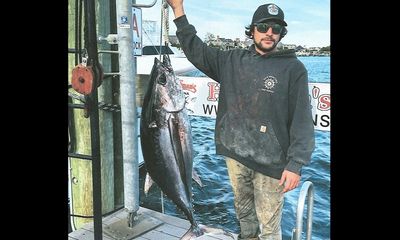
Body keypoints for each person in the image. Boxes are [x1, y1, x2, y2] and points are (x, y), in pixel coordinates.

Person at [165, 1, 315, 239]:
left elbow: (302, 120)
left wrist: (295, 164)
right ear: (252, 30)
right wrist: (178, 11)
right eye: (264, 26)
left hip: (271, 165)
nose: (269, 33)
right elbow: (196, 50)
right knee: (245, 219)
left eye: (276, 29)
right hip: (236, 157)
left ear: (281, 34)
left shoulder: (294, 69)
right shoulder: (231, 60)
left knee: (269, 228)